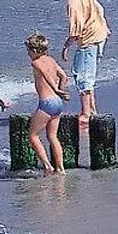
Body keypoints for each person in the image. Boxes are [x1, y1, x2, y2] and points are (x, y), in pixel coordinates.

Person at [45, 0, 108, 133]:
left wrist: (66, 46)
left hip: (89, 39)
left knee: (82, 75)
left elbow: (76, 29)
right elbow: (99, 8)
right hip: (98, 35)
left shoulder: (72, 0)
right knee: (88, 74)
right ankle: (92, 110)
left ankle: (86, 114)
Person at [25, 32, 70, 174]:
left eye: (28, 51)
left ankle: (48, 166)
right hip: (57, 103)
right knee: (52, 137)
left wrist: (56, 89)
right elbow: (64, 76)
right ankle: (61, 169)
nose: (28, 54)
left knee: (33, 136)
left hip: (47, 102)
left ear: (35, 51)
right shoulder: (51, 60)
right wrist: (61, 91)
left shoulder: (36, 62)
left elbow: (45, 74)